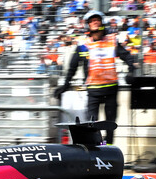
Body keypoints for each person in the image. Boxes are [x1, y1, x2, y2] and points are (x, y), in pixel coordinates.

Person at [54, 11, 138, 145]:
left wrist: (132, 71)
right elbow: (72, 67)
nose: (95, 22)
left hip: (111, 89)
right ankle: (95, 151)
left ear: (102, 23)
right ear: (88, 25)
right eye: (91, 20)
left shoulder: (112, 41)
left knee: (110, 125)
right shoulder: (83, 45)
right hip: (93, 90)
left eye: (97, 20)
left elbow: (128, 57)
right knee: (91, 125)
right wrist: (65, 85)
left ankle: (109, 151)